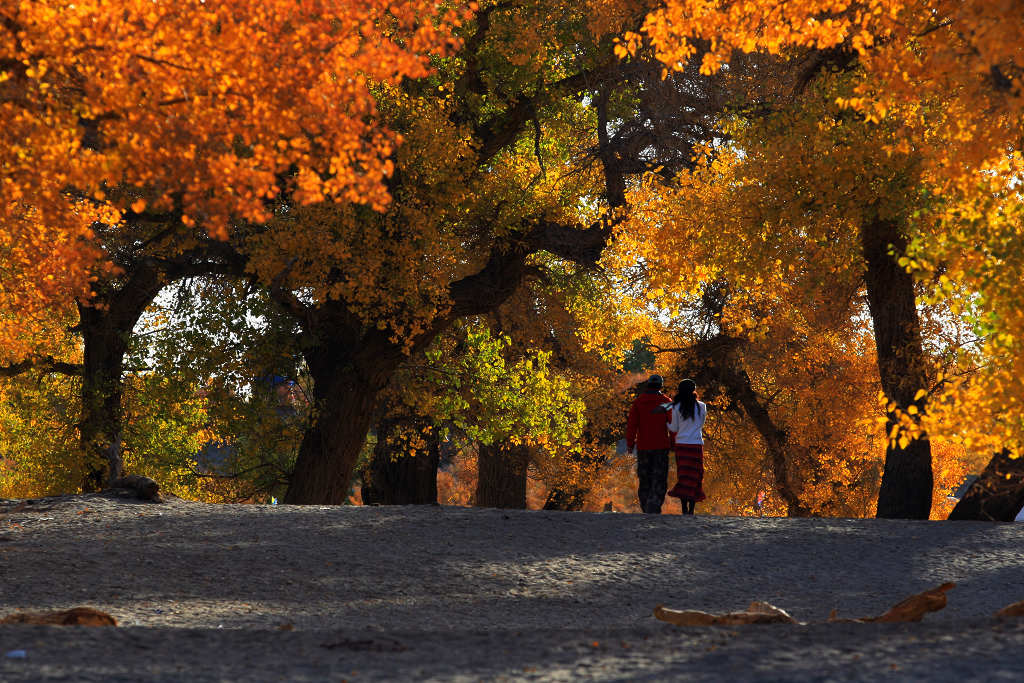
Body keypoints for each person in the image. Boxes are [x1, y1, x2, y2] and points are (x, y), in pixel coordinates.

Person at [626, 374, 672, 513]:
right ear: (660, 386)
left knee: (645, 477)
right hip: (661, 446)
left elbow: (632, 425)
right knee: (659, 477)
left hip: (643, 446)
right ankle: (654, 505)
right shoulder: (666, 402)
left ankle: (646, 505)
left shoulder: (638, 402)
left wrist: (630, 443)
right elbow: (673, 425)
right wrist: (674, 442)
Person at [666, 379, 707, 515]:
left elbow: (674, 427)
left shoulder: (676, 407)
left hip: (682, 445)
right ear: (694, 390)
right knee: (695, 476)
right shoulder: (702, 406)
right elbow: (701, 424)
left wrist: (666, 423)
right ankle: (691, 509)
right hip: (696, 444)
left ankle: (684, 508)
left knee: (683, 476)